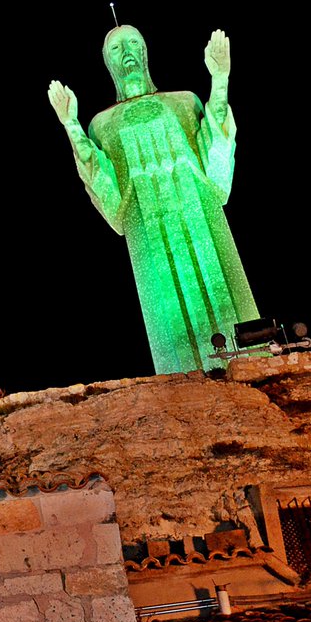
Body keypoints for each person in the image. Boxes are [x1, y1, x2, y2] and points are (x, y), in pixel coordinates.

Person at [48, 26, 259, 374]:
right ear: (108, 63)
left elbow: (215, 146)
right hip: (147, 230)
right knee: (171, 321)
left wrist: (220, 80)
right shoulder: (102, 124)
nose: (126, 51)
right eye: (116, 48)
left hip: (200, 214)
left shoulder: (183, 101)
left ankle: (252, 364)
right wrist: (71, 124)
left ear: (145, 51)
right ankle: (181, 380)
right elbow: (98, 177)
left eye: (133, 42)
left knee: (227, 298)